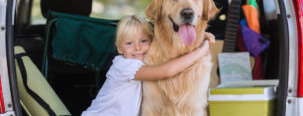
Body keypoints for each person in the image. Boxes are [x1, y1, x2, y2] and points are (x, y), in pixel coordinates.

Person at [81, 14, 215, 116]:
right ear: (119, 48)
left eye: (143, 41)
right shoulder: (123, 66)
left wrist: (198, 36)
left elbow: (169, 43)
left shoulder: (145, 62)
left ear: (152, 42)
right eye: (129, 43)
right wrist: (201, 51)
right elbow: (167, 71)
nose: (137, 47)